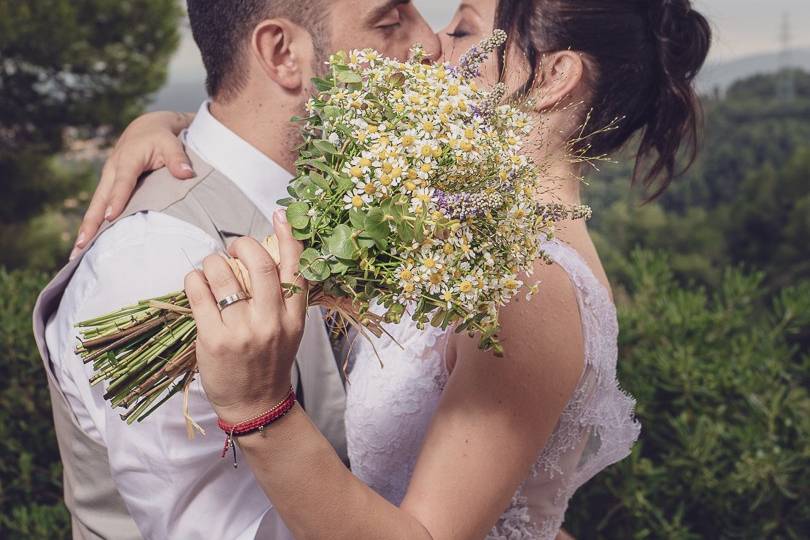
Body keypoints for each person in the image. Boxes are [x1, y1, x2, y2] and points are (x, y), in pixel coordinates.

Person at [76, 0, 711, 537]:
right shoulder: (465, 232)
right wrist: (169, 127)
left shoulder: (528, 280)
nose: (434, 45)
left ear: (551, 78)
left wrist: (258, 409)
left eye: (463, 31)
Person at [33, 1, 440, 539]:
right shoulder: (159, 263)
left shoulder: (358, 200)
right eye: (389, 22)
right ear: (282, 54)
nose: (430, 44)